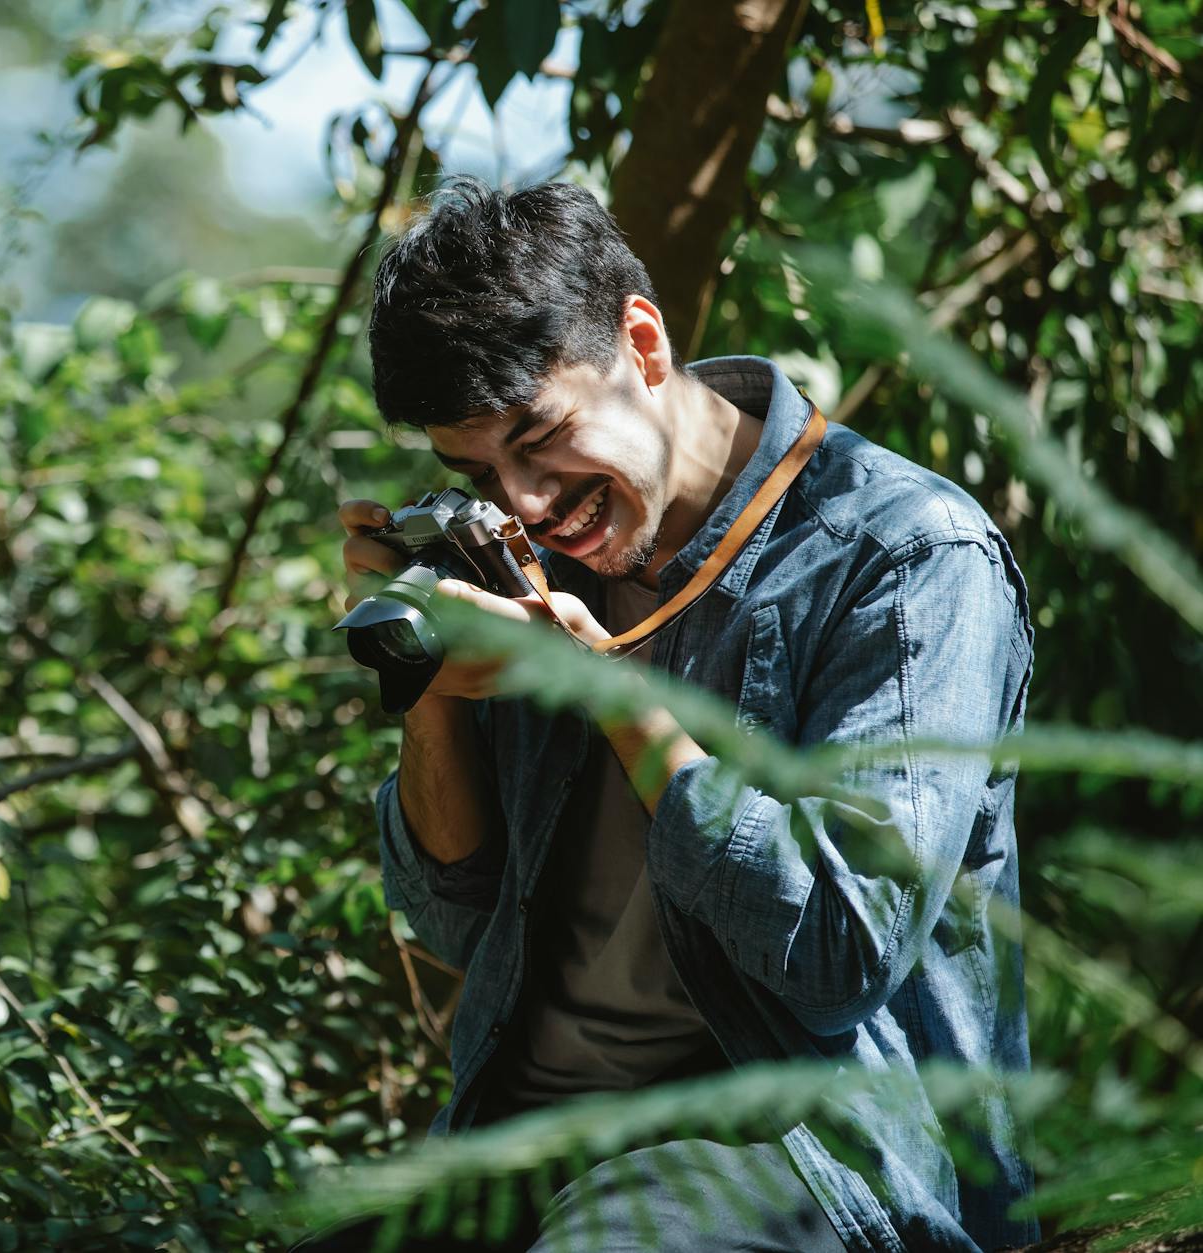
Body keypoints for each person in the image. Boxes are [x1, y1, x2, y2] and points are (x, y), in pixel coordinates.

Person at [324, 179, 1036, 1252]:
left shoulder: (904, 555)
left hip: (803, 1151)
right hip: (523, 1141)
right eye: (473, 470)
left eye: (540, 435)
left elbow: (838, 951)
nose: (521, 502)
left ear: (642, 342)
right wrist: (425, 692)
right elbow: (455, 921)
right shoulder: (528, 554)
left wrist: (607, 696)